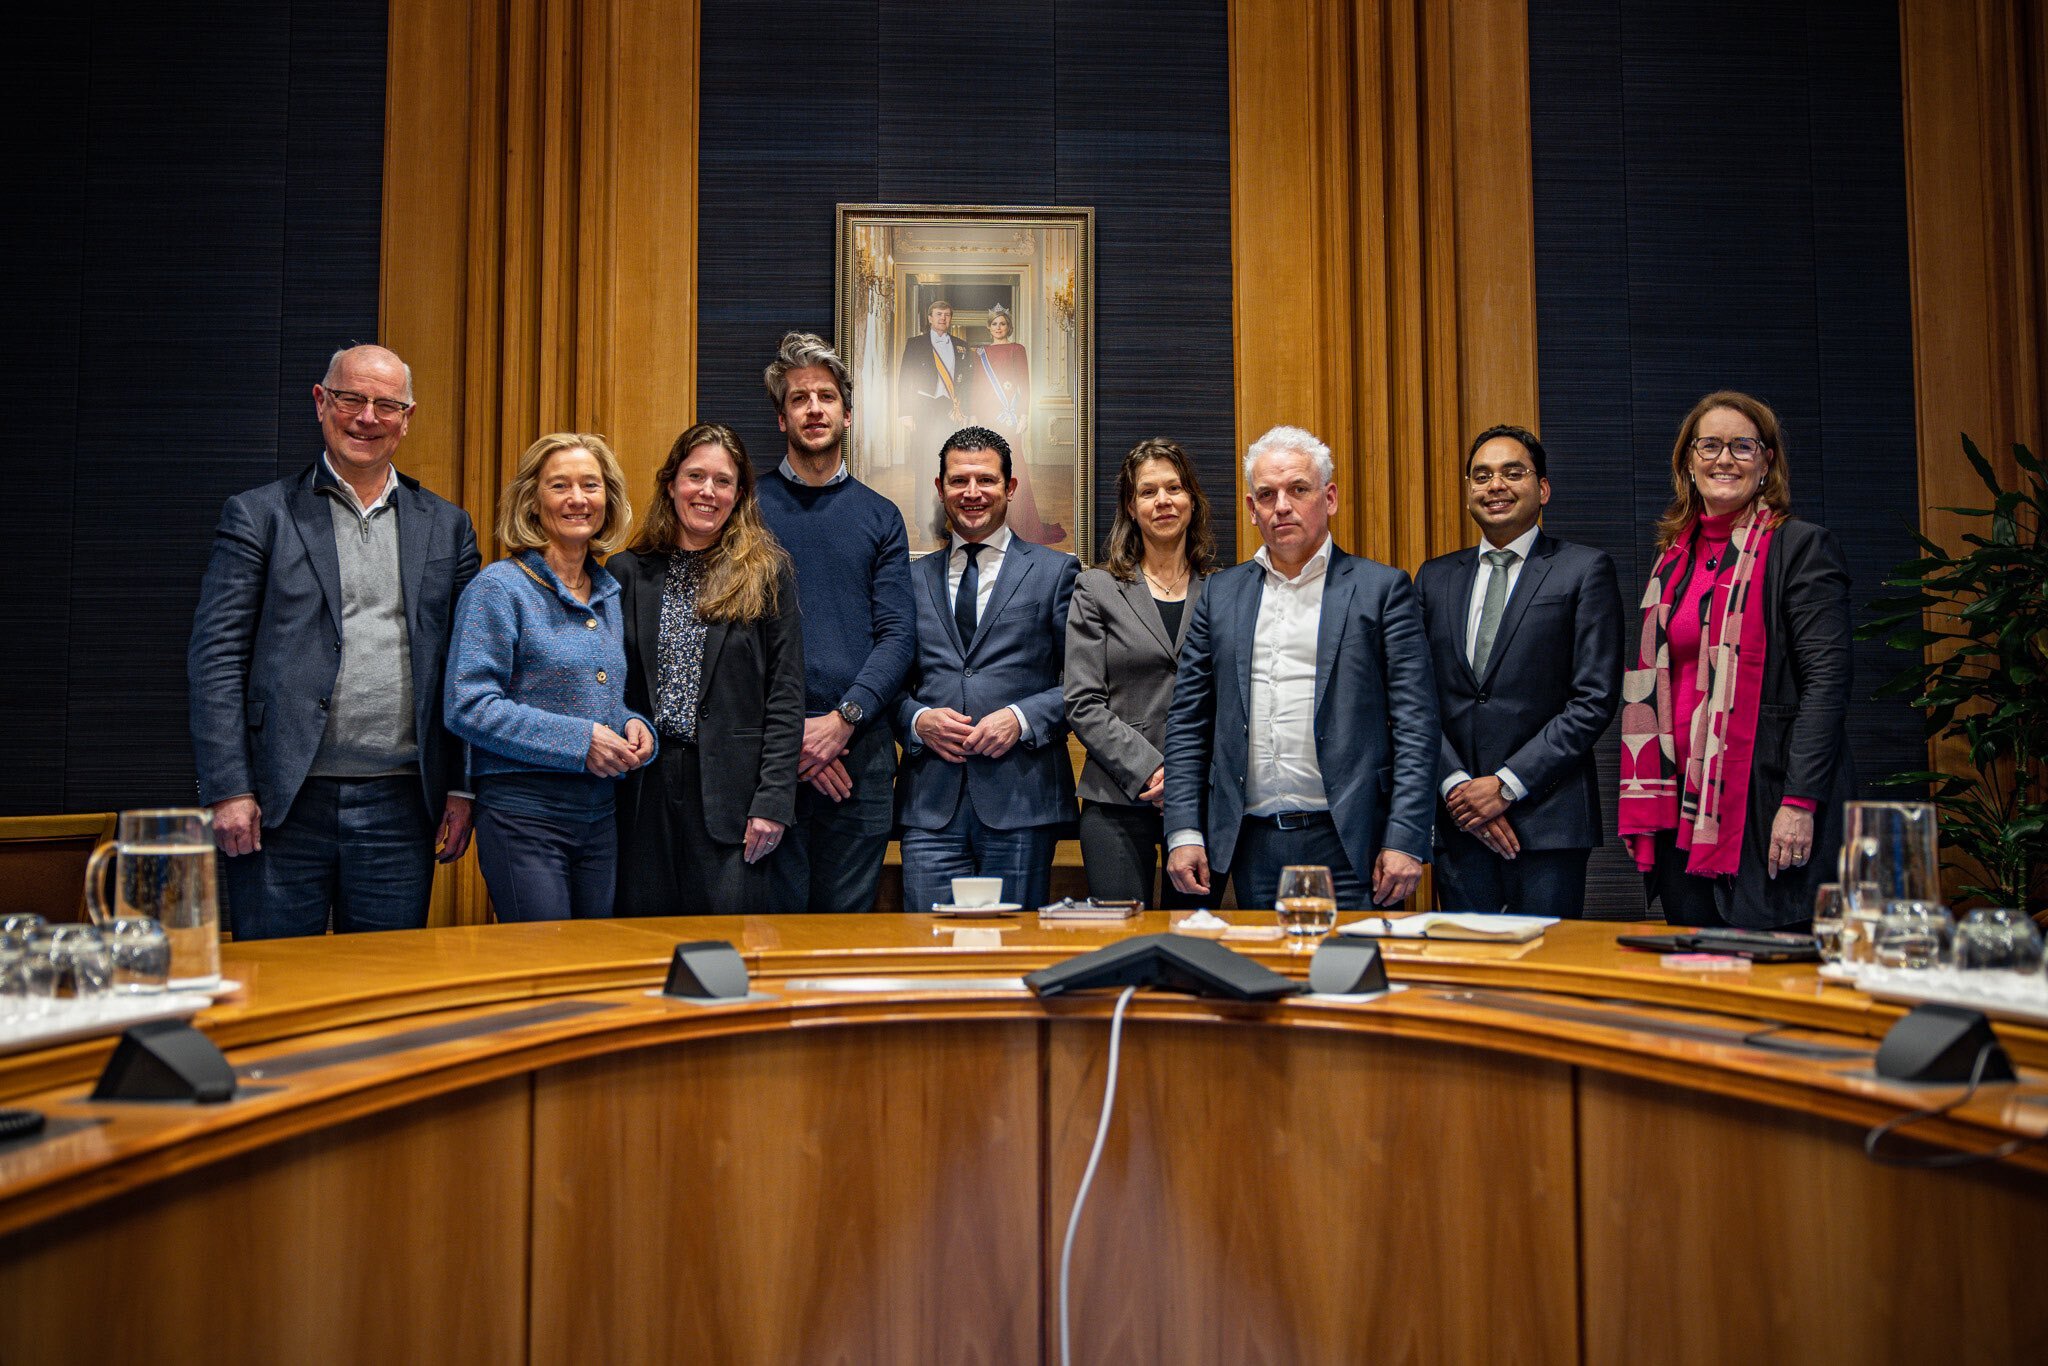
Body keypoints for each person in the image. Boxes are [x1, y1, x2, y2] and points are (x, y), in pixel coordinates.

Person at [188, 344, 480, 940]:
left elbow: (468, 668)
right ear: (322, 402)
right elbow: (215, 658)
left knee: (380, 993)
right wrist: (229, 788)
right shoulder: (259, 516)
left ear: (408, 418)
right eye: (352, 398)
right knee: (273, 986)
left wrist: (461, 783)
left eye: (386, 405)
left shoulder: (448, 526)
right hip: (280, 804)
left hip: (402, 805)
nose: (367, 417)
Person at [1164, 425, 1437, 911]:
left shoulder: (1382, 590)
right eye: (1266, 495)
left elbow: (1417, 725)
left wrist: (1405, 837)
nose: (1281, 506)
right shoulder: (1220, 597)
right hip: (1252, 846)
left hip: (1356, 844)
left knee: (1352, 984)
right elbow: (1188, 723)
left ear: (1329, 498)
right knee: (1266, 983)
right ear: (1252, 509)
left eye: (1298, 490)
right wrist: (1184, 829)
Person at [1620, 391, 1853, 928]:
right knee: (1695, 977)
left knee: (1767, 981)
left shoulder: (1801, 548)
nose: (1724, 459)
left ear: (1767, 461)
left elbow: (1826, 685)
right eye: (1710, 446)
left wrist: (1799, 803)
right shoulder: (1671, 560)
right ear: (1688, 462)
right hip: (1681, 805)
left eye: (1743, 446)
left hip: (1764, 802)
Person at [1415, 425, 1623, 917]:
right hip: (1458, 821)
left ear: (1543, 488)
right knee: (1466, 980)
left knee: (1542, 977)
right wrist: (1458, 789)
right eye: (1481, 476)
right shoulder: (1434, 577)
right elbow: (1414, 698)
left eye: (1513, 472)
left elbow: (1593, 698)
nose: (1495, 485)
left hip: (1548, 820)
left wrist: (1506, 784)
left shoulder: (1584, 569)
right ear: (1468, 492)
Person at [444, 433, 653, 921]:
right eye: (560, 486)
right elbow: (468, 705)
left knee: (589, 970)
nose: (578, 499)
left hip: (600, 817)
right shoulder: (498, 588)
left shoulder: (607, 591)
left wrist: (631, 725)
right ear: (533, 502)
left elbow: (598, 699)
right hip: (523, 816)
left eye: (591, 485)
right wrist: (580, 741)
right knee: (544, 970)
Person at [612, 423, 806, 916]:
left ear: (739, 494)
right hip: (641, 791)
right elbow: (607, 683)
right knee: (640, 945)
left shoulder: (766, 573)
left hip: (733, 796)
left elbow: (785, 695)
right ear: (671, 483)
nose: (707, 492)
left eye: (722, 481)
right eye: (694, 476)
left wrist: (773, 800)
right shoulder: (627, 572)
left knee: (725, 954)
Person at [755, 333, 916, 914]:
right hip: (769, 757)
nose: (814, 409)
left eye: (826, 397)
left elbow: (898, 636)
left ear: (848, 414)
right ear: (782, 418)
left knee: (845, 938)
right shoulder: (745, 509)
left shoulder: (880, 515)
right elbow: (729, 642)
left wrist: (840, 725)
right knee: (772, 940)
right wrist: (798, 736)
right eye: (800, 399)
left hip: (862, 757)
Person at [895, 426, 1080, 915]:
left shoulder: (1055, 572)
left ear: (1010, 488)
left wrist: (1020, 718)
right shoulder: (909, 579)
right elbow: (886, 681)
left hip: (1022, 800)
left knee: (1010, 956)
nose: (972, 493)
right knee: (931, 954)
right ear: (940, 488)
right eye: (959, 481)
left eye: (986, 480)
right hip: (929, 806)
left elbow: (1084, 685)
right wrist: (916, 720)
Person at [1065, 438, 1215, 907]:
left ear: (1192, 499)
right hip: (1115, 798)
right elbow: (1082, 701)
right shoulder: (1096, 588)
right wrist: (1152, 769)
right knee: (1122, 942)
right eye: (1148, 492)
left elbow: (1236, 700)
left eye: (1174, 488)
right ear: (1131, 507)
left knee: (1193, 945)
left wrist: (1187, 774)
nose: (1163, 501)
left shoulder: (1224, 590)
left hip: (1203, 799)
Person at [967, 303, 1064, 545]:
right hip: (987, 415)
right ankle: (992, 522)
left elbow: (1024, 383)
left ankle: (1021, 522)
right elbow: (977, 386)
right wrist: (975, 415)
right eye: (995, 324)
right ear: (989, 328)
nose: (999, 327)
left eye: (1003, 323)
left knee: (1014, 465)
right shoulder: (981, 353)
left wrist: (1023, 415)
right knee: (988, 465)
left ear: (1008, 327)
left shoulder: (1017, 349)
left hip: (1009, 416)